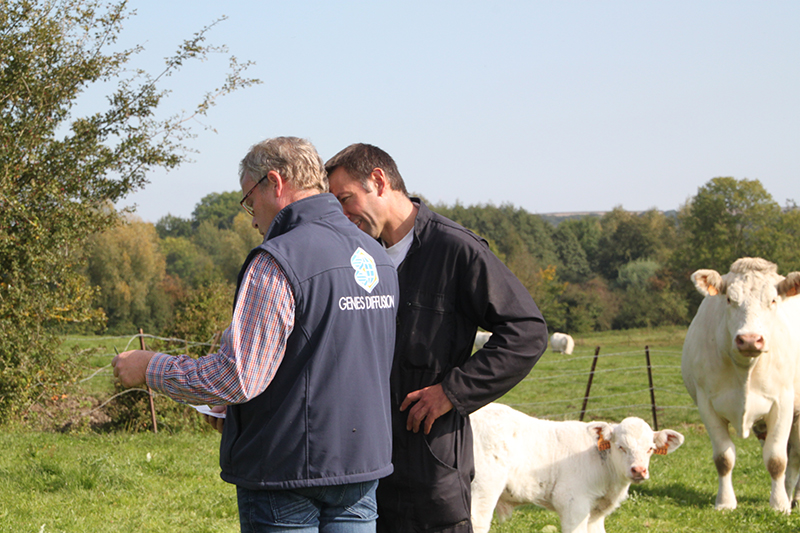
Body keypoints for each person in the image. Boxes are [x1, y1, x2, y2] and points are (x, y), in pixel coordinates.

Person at [112, 136, 400, 533]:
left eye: (249, 200)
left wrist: (150, 367)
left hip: (285, 472)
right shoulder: (378, 258)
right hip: (361, 467)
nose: (251, 218)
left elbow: (238, 377)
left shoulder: (279, 259)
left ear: (274, 182)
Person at [324, 144, 548, 533]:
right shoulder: (358, 255)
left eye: (346, 199)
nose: (344, 214)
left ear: (379, 181)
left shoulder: (455, 249)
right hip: (363, 468)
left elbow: (526, 331)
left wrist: (452, 391)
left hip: (432, 465)